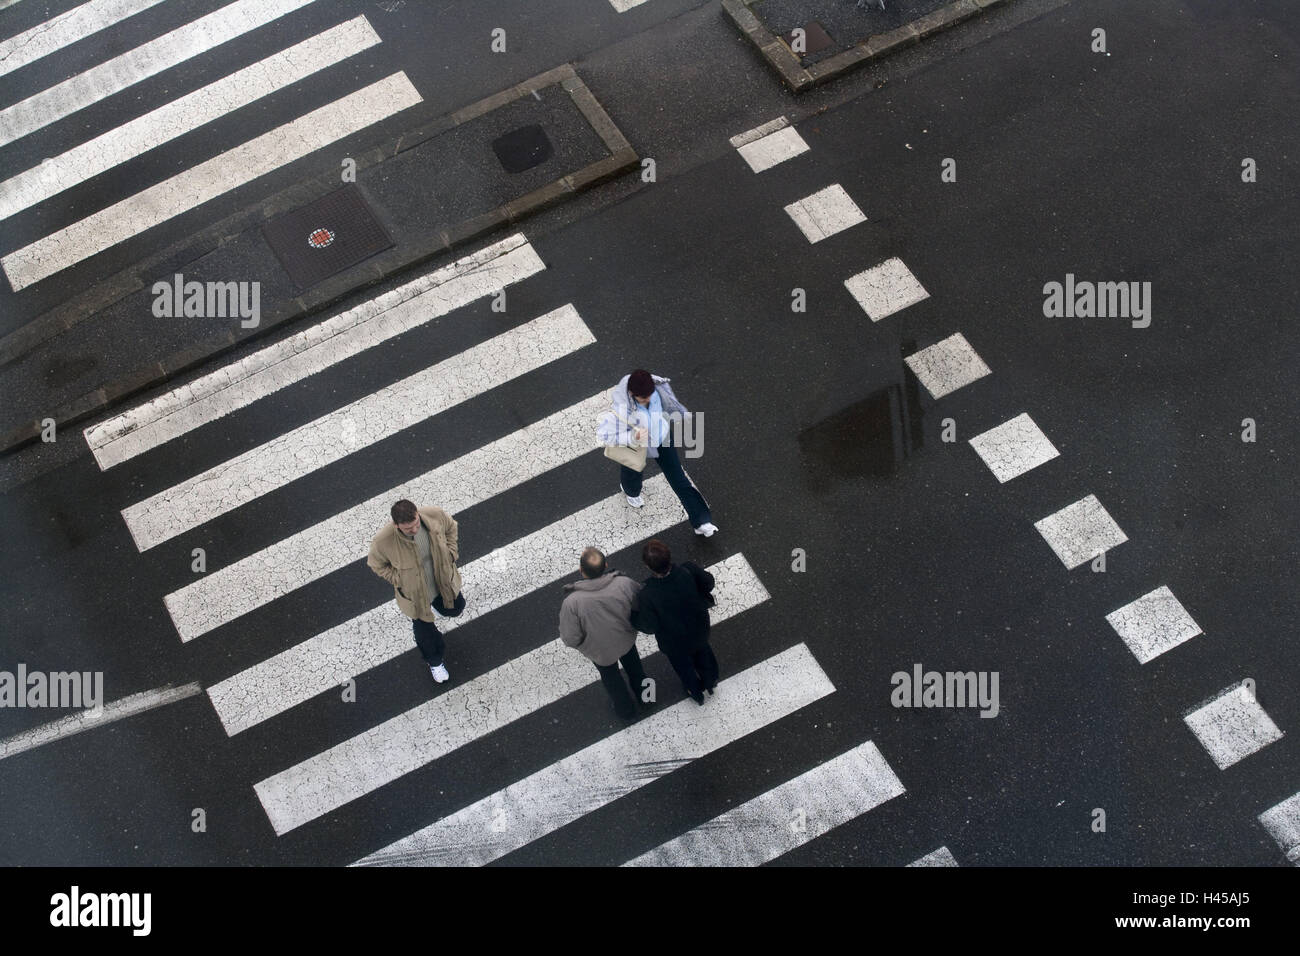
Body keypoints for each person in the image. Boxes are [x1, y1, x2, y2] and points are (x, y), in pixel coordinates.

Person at [597, 368, 718, 537]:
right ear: (632, 393)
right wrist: (634, 436)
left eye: (650, 395)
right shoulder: (622, 408)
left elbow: (667, 403)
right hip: (637, 443)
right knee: (633, 468)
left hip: (662, 437)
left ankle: (701, 521)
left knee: (679, 478)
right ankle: (630, 490)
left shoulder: (655, 386)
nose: (648, 399)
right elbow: (606, 436)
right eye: (643, 398)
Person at [367, 499, 465, 684]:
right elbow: (376, 564)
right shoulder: (383, 541)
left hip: (441, 581)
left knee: (456, 608)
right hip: (415, 595)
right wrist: (398, 579)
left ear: (417, 514)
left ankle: (435, 609)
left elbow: (451, 527)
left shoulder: (434, 515)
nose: (414, 530)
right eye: (408, 529)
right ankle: (435, 662)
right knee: (425, 634)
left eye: (416, 524)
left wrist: (451, 552)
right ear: (396, 525)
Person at [558, 547, 649, 720]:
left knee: (611, 680)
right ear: (606, 565)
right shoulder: (624, 583)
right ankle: (649, 699)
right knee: (637, 670)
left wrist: (584, 646)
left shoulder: (572, 603)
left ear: (581, 571)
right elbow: (639, 605)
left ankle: (626, 712)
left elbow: (570, 637)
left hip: (599, 651)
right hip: (626, 639)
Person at [630, 539, 718, 705]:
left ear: (647, 566)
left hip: (674, 643)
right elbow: (708, 582)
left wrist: (633, 618)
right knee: (704, 654)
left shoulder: (647, 594)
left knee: (684, 668)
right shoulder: (688, 570)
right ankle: (711, 680)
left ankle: (696, 692)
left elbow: (649, 626)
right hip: (699, 628)